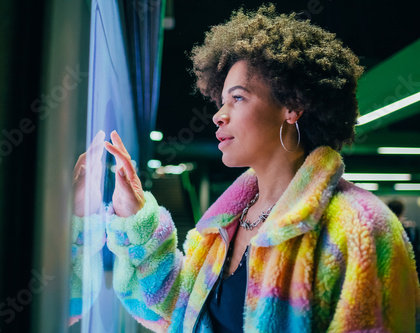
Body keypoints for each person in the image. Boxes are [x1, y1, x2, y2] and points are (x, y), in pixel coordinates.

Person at [76, 5, 420, 332]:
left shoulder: (360, 227)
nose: (218, 114)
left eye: (237, 98)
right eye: (221, 100)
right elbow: (175, 310)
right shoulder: (225, 224)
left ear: (292, 106)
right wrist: (135, 215)